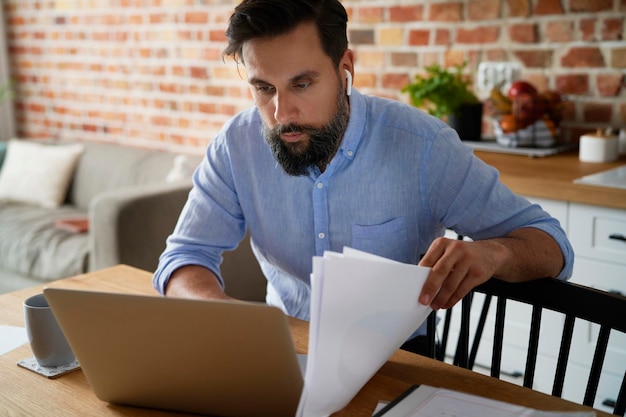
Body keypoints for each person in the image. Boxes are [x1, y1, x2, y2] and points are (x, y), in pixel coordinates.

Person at [153, 0, 573, 355]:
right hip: (283, 352)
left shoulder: (423, 147)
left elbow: (552, 245)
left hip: (396, 361)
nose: (282, 114)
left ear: (345, 68)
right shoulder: (237, 145)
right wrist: (223, 313)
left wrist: (494, 253)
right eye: (264, 88)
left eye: (302, 83)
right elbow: (183, 259)